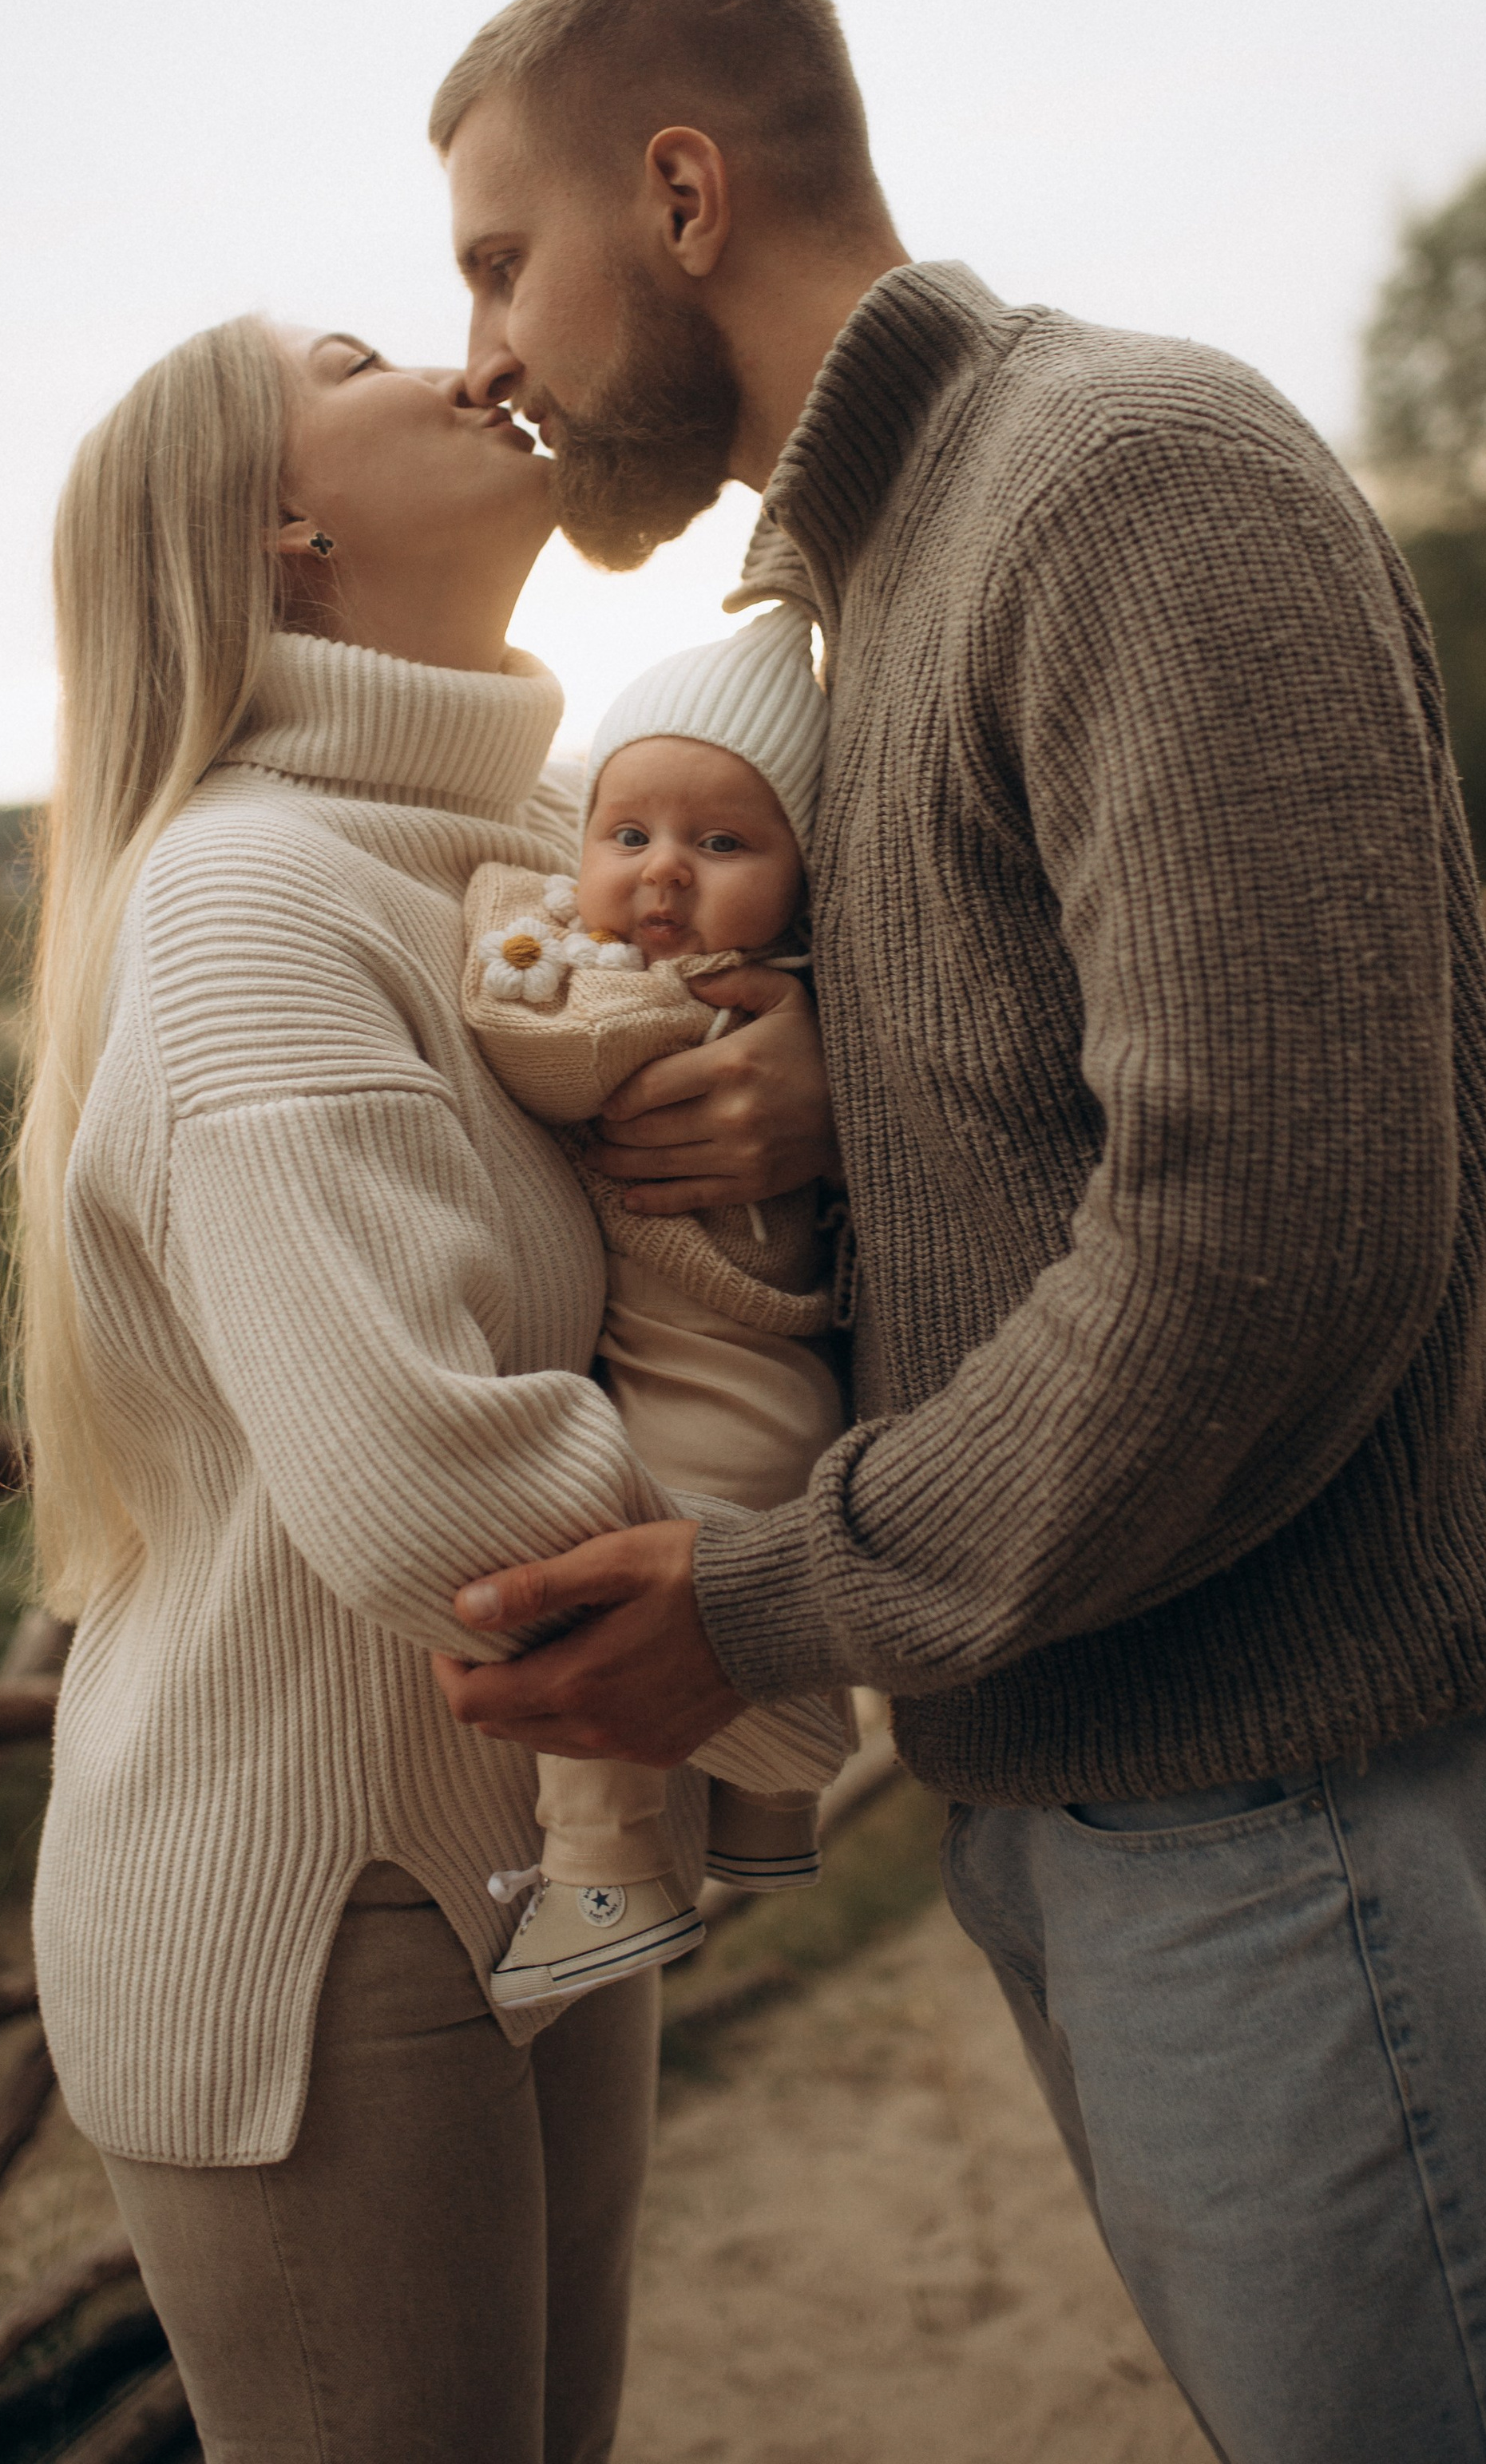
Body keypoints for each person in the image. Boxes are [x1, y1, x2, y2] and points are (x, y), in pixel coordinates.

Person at [424, 0, 1486, 2461]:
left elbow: (1270, 1224)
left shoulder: (1121, 483)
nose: (479, 357)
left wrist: (765, 1600)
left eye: (495, 261)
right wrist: (832, 1110)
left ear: (677, 192)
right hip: (1147, 1780)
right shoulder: (868, 596)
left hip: (1316, 1796)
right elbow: (1084, 1079)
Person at [12, 311, 831, 2462]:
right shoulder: (249, 901)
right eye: (368, 357)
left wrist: (816, 1090)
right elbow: (419, 1492)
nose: (475, 367)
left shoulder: (553, 842)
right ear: (282, 523)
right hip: (318, 1921)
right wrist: (820, 1593)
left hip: (539, 1845)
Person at [464, 600, 854, 2004]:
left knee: (607, 1612)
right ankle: (766, 1818)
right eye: (627, 838)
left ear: (805, 878)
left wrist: (518, 938)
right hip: (769, 1392)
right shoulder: (814, 1012)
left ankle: (604, 1873)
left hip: (714, 1393)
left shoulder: (699, 1004)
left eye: (724, 843)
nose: (664, 876)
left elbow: (551, 1055)